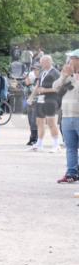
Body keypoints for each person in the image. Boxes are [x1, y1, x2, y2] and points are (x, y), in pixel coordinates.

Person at [53, 50, 79, 183]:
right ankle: (71, 173)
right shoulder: (67, 76)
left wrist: (73, 76)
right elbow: (55, 87)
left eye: (73, 59)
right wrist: (64, 77)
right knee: (70, 148)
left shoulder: (73, 77)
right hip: (67, 116)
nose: (70, 62)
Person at [32, 55, 62, 152]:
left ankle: (56, 145)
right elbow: (38, 85)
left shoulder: (56, 73)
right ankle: (39, 144)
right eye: (41, 62)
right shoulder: (42, 72)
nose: (41, 64)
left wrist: (45, 90)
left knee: (51, 122)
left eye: (43, 62)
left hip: (51, 100)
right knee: (39, 122)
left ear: (49, 62)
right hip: (41, 99)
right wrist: (31, 97)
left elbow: (59, 88)